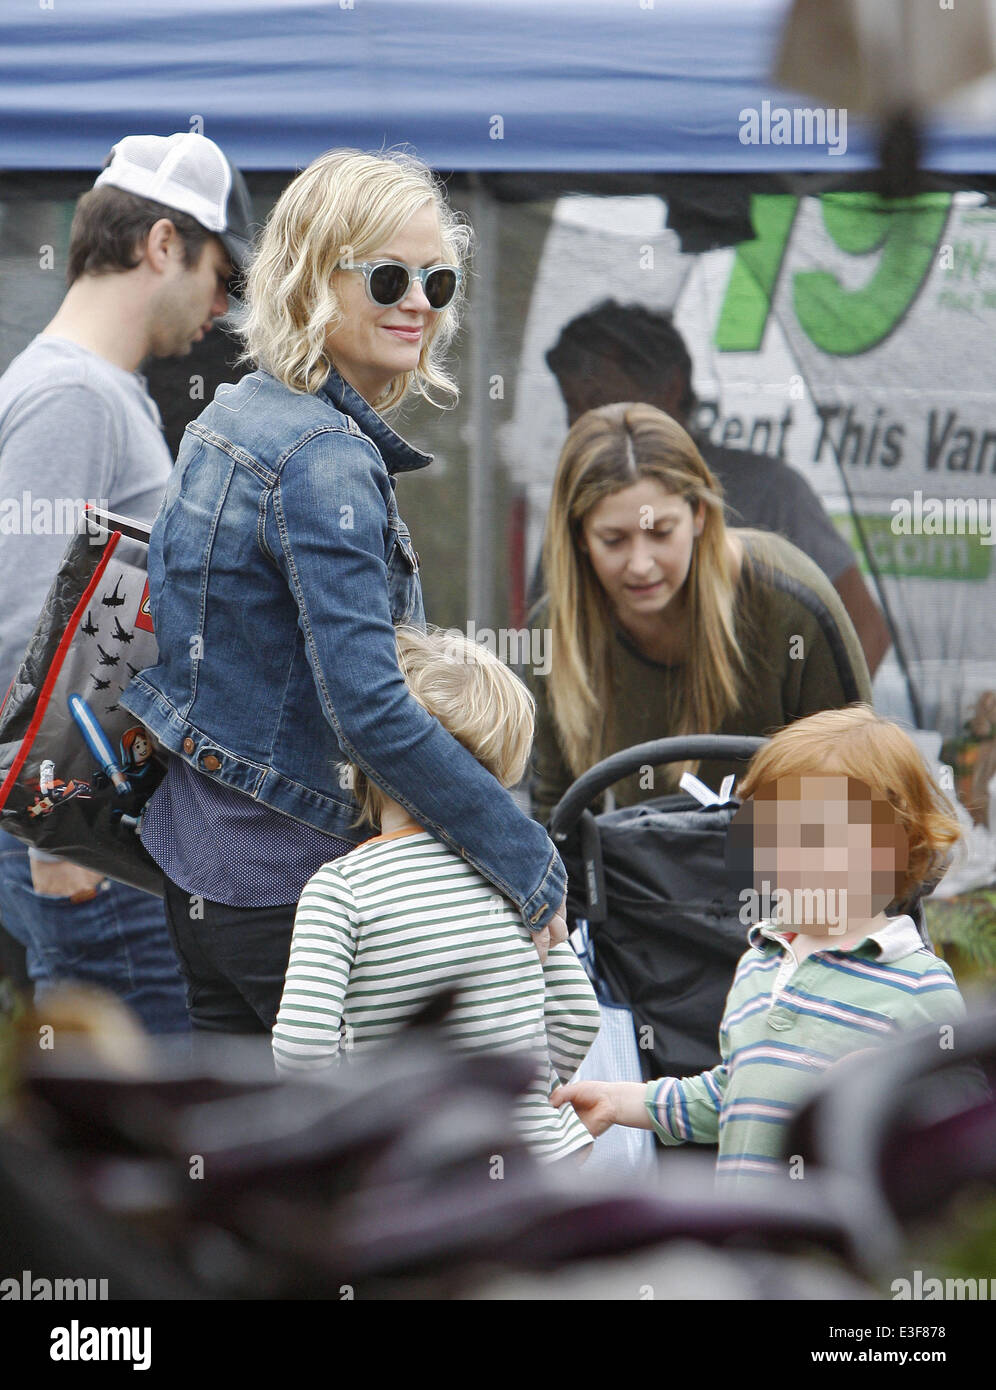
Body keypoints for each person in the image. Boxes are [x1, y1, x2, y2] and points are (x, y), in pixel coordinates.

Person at [121, 148, 569, 1038]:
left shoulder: (229, 418)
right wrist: (526, 857)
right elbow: (369, 707)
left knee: (250, 1169)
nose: (419, 304)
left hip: (201, 869)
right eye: (390, 276)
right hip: (300, 893)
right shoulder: (321, 455)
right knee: (370, 1172)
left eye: (438, 283)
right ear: (306, 279)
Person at [0, 131, 251, 1033]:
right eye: (223, 275)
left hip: (89, 835)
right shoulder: (77, 397)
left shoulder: (93, 391)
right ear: (161, 245)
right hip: (82, 845)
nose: (222, 309)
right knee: (142, 1140)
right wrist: (59, 821)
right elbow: (24, 623)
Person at [552, 705, 968, 1187]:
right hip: (750, 1235)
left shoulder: (918, 985)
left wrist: (893, 1097)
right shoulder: (759, 962)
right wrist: (621, 1101)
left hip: (838, 1251)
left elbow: (963, 1127)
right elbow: (731, 1094)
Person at [273, 626, 600, 1163]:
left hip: (418, 1170)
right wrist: (534, 1095)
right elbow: (578, 1016)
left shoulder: (340, 890)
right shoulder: (518, 876)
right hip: (541, 1159)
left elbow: (301, 1049)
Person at [528, 402, 872, 824]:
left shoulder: (793, 604)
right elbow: (557, 818)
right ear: (579, 536)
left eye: (660, 533)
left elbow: (861, 790)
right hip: (646, 881)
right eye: (613, 540)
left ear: (699, 514)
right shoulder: (555, 632)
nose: (640, 564)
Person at [539, 299, 891, 677]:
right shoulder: (578, 503)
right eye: (571, 406)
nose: (581, 423)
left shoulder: (770, 493)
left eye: (598, 401)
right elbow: (544, 641)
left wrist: (809, 732)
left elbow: (865, 631)